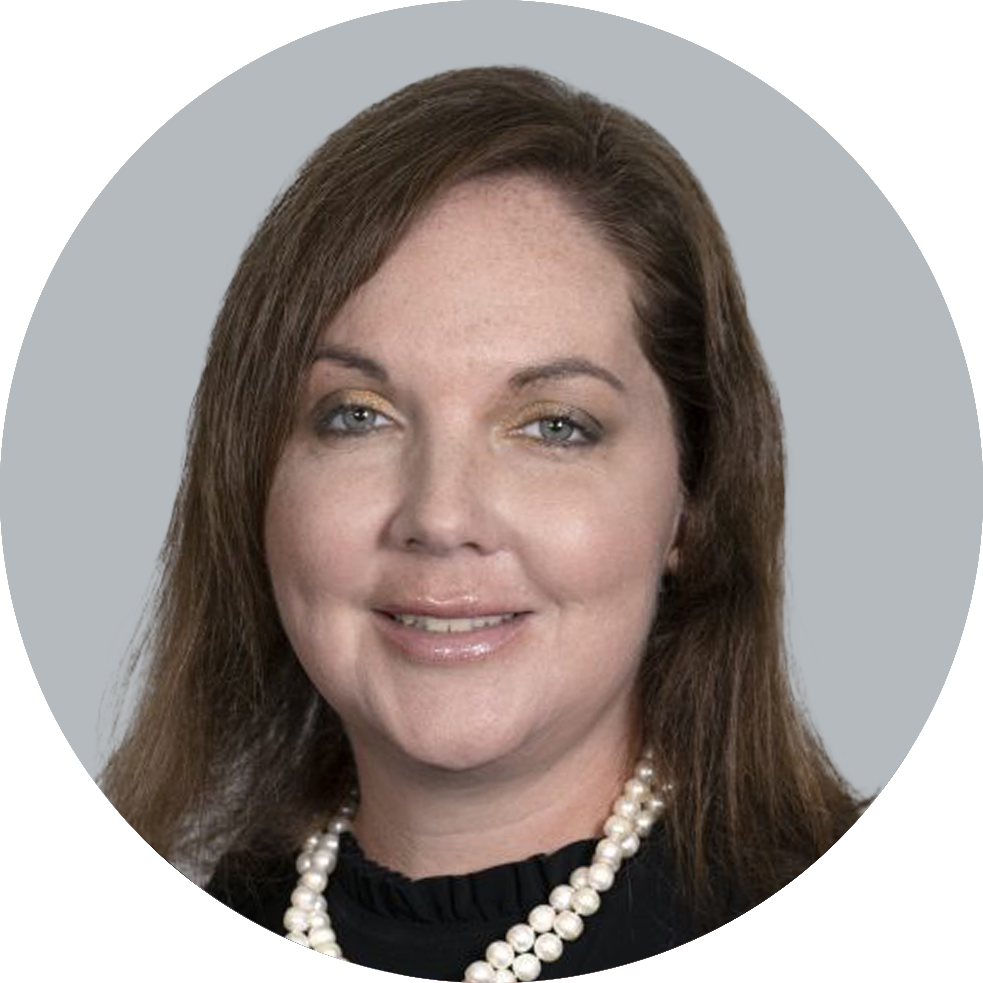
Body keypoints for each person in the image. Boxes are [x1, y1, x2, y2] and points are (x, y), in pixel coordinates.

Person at [0, 67, 919, 982]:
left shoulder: (850, 964)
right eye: (357, 414)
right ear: (255, 484)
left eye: (553, 425)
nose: (440, 517)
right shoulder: (42, 956)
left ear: (693, 502)